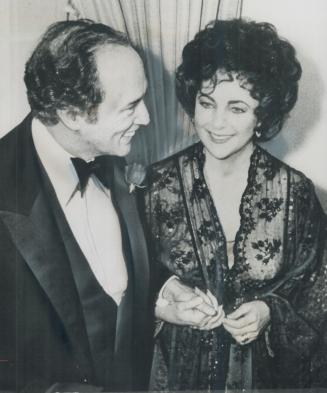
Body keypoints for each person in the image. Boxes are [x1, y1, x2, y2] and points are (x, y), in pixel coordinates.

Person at [144, 19, 327, 390]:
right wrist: (166, 306)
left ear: (263, 116)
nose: (217, 123)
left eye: (238, 108)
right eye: (207, 103)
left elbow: (316, 293)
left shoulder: (296, 193)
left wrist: (269, 311)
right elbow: (125, 288)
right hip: (170, 378)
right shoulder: (153, 186)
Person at [0, 19, 152, 393]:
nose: (147, 117)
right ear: (72, 115)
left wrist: (162, 295)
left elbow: (113, 274)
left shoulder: (110, 155)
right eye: (131, 106)